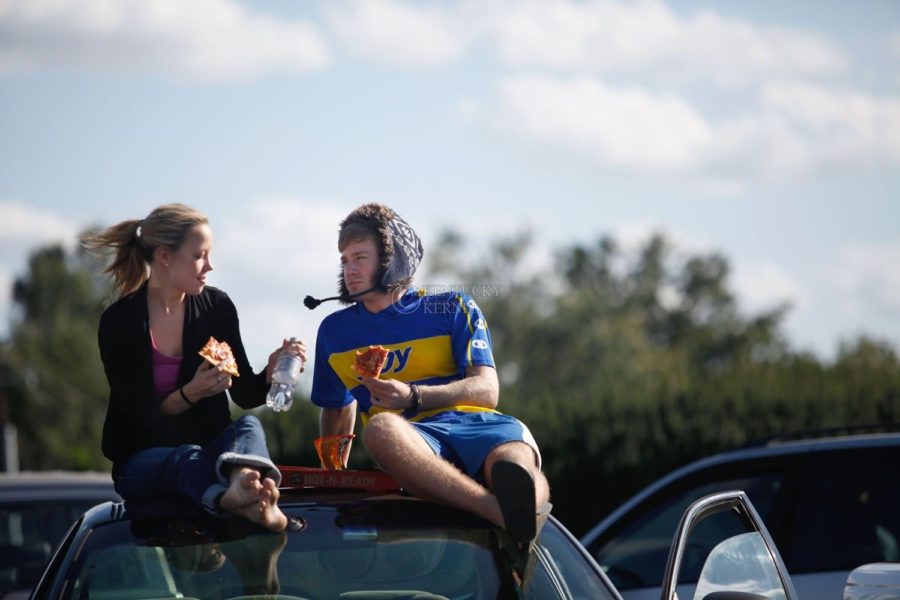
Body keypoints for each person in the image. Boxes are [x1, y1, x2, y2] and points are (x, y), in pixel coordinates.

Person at [307, 203, 551, 551]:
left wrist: (412, 397)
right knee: (379, 428)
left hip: (480, 423)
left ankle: (521, 510)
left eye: (360, 257)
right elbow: (336, 407)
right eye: (344, 259)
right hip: (412, 439)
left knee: (515, 465)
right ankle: (503, 515)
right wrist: (333, 475)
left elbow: (487, 390)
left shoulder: (453, 306)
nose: (349, 269)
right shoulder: (334, 331)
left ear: (393, 261)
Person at [82, 203, 305, 531]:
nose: (209, 266)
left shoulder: (217, 307)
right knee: (187, 457)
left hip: (212, 450)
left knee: (249, 429)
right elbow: (138, 419)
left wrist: (270, 373)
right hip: (142, 459)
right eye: (199, 255)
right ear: (164, 256)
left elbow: (244, 394)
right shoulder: (120, 322)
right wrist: (190, 393)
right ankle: (225, 497)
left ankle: (246, 483)